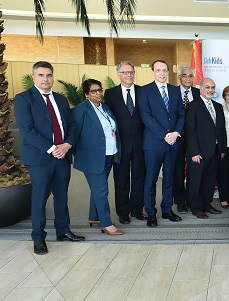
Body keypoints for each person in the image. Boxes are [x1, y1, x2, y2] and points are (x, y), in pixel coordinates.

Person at [14, 61, 85, 255]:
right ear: (35, 77)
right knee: (39, 199)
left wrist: (67, 144)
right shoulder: (23, 99)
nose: (46, 79)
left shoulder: (61, 100)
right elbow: (27, 131)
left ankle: (63, 230)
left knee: (62, 196)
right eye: (41, 75)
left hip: (62, 155)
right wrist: (53, 148)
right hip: (40, 158)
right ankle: (38, 238)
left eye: (49, 75)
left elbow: (71, 126)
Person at [72, 79, 123, 235]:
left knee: (98, 189)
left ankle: (94, 217)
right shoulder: (80, 110)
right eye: (94, 91)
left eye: (100, 90)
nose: (98, 93)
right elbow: (74, 135)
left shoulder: (105, 107)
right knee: (101, 191)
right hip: (92, 157)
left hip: (109, 154)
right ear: (86, 94)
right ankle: (106, 223)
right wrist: (81, 155)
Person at [138, 60, 184, 227]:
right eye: (158, 70)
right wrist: (165, 135)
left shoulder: (174, 90)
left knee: (169, 178)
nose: (162, 73)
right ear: (153, 72)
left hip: (173, 143)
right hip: (153, 143)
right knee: (150, 179)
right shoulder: (144, 91)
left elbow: (181, 114)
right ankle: (151, 212)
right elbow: (146, 117)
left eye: (165, 70)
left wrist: (176, 133)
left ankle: (167, 209)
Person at [104, 61, 146, 225]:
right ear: (118, 74)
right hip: (120, 146)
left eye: (131, 72)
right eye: (125, 72)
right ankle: (123, 212)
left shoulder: (143, 91)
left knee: (139, 178)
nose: (129, 75)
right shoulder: (110, 93)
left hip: (141, 144)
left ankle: (137, 209)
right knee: (121, 180)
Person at [185, 78, 226, 219]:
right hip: (199, 152)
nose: (210, 90)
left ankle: (207, 204)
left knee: (209, 180)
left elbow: (221, 130)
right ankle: (196, 207)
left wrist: (222, 149)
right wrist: (194, 152)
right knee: (196, 181)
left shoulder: (218, 106)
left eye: (213, 87)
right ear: (201, 88)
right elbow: (190, 131)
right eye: (207, 87)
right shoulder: (193, 106)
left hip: (214, 151)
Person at [174, 66, 201, 214]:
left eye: (191, 76)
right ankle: (180, 201)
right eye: (185, 76)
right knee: (177, 171)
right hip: (177, 138)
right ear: (180, 77)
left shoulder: (198, 93)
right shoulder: (172, 92)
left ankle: (192, 199)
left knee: (193, 171)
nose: (188, 79)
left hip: (194, 139)